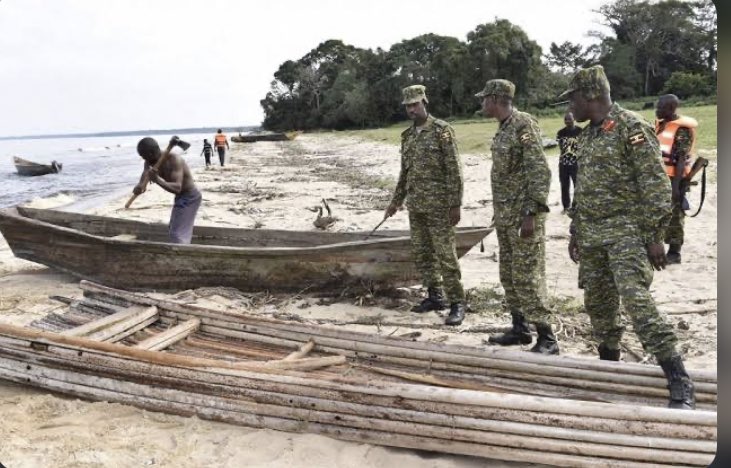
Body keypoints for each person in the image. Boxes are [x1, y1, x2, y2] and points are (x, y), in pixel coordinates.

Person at [561, 65, 695, 409]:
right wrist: (575, 229)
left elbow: (654, 187)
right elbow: (584, 188)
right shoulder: (588, 133)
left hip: (625, 234)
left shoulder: (631, 127)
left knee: (637, 302)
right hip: (592, 235)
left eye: (573, 97)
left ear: (590, 94)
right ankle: (610, 369)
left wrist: (654, 236)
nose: (570, 105)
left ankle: (678, 376)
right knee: (599, 307)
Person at [476, 79, 558, 355]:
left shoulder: (524, 125)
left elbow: (539, 172)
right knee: (509, 274)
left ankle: (547, 337)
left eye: (485, 98)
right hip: (506, 215)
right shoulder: (503, 128)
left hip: (524, 216)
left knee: (528, 276)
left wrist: (530, 213)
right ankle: (520, 328)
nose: (482, 103)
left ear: (497, 99)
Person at [384, 84, 467, 326]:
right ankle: (435, 296)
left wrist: (455, 204)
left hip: (440, 207)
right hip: (416, 206)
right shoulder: (407, 137)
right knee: (423, 255)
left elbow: (454, 170)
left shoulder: (442, 131)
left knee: (446, 256)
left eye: (415, 104)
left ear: (424, 102)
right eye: (408, 106)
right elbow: (404, 174)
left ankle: (457, 303)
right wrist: (395, 202)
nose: (411, 109)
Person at [134, 136, 202, 244]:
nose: (143, 159)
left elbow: (177, 188)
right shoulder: (149, 162)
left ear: (151, 153)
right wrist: (139, 187)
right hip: (180, 198)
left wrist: (157, 180)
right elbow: (144, 178)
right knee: (174, 230)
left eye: (143, 156)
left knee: (177, 234)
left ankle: (182, 254)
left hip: (190, 197)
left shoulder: (174, 159)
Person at [655, 94, 698, 264]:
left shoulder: (682, 130)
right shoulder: (660, 125)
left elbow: (681, 159)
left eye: (661, 107)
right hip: (658, 178)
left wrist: (676, 187)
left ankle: (674, 253)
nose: (657, 110)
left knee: (675, 216)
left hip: (675, 179)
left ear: (671, 109)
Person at [556, 112, 581, 213]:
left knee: (577, 185)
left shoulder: (580, 131)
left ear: (574, 119)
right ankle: (566, 207)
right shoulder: (560, 133)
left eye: (569, 119)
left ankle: (577, 206)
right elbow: (560, 147)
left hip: (576, 163)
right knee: (564, 186)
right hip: (564, 164)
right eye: (566, 119)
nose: (567, 121)